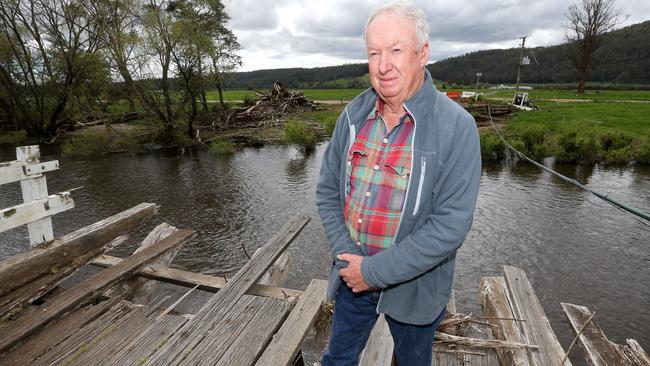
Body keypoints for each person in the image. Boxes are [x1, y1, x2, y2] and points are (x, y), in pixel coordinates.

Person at [316, 1, 481, 365]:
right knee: (338, 358)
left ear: (423, 54)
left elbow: (450, 227)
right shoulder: (353, 116)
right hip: (352, 279)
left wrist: (374, 272)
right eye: (374, 52)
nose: (383, 64)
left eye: (395, 50)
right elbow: (327, 191)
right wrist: (349, 259)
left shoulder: (457, 127)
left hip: (416, 289)